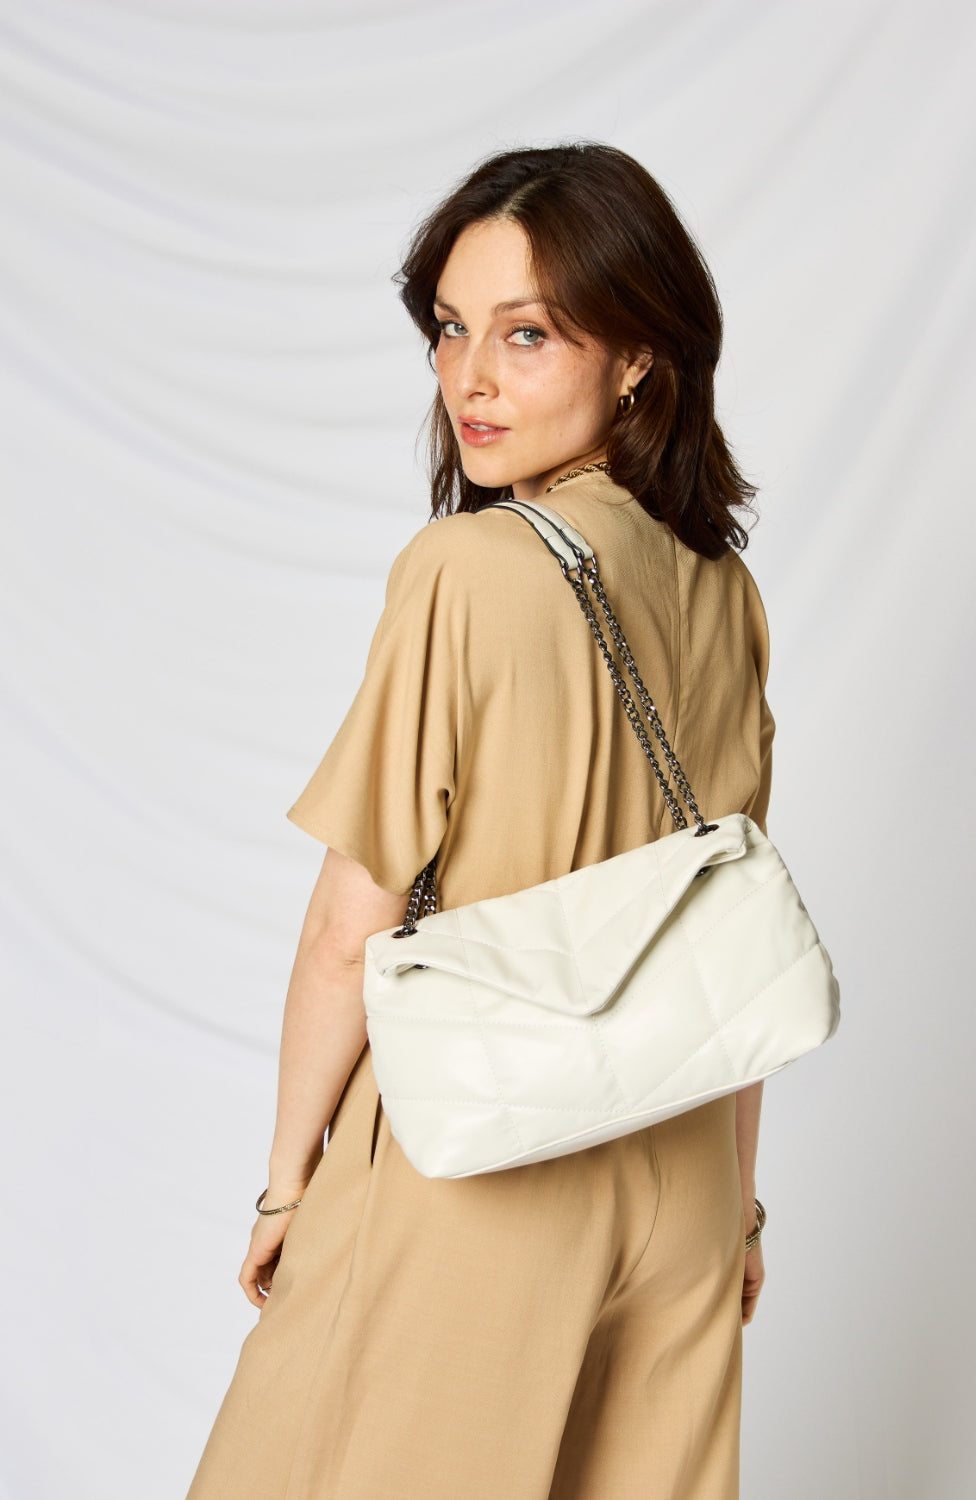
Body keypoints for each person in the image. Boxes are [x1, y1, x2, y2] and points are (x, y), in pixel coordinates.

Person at [186, 142, 774, 1500]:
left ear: (638, 354)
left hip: (479, 1162)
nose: (473, 379)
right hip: (678, 1175)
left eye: (527, 333)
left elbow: (353, 926)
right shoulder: (727, 598)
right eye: (452, 330)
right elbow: (729, 940)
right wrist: (736, 1206)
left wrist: (289, 1183)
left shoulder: (464, 570)